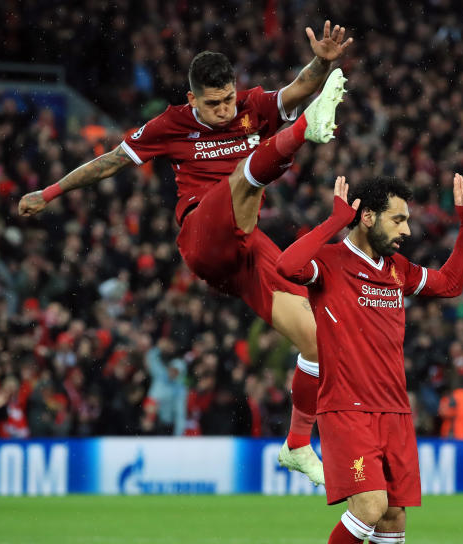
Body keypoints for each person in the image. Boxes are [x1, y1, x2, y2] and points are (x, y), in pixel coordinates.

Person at [18, 21, 355, 485]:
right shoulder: (170, 124)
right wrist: (50, 191)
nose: (223, 110)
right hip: (202, 233)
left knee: (318, 338)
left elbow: (301, 84)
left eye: (228, 100)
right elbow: (111, 162)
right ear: (192, 99)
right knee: (241, 180)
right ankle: (302, 132)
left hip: (246, 247)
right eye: (212, 103)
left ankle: (297, 445)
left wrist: (322, 60)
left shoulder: (251, 107)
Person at [276, 174, 463, 544]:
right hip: (347, 406)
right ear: (366, 216)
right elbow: (286, 265)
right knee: (367, 507)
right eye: (398, 218)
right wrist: (332, 222)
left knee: (393, 519)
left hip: (396, 411)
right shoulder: (329, 263)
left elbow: (449, 284)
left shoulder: (397, 269)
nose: (407, 229)